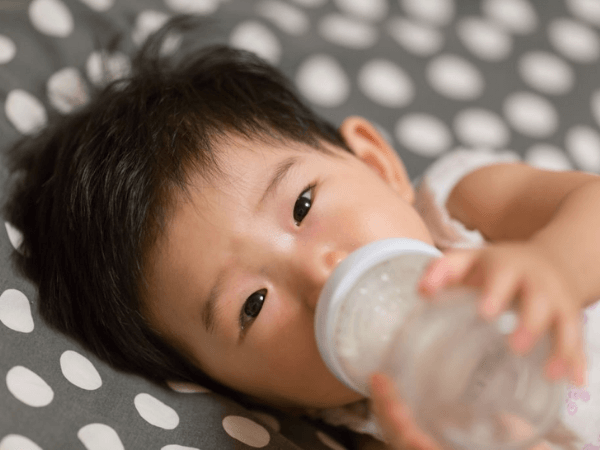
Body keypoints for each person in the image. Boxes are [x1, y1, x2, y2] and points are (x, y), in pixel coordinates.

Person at [3, 16, 596, 450]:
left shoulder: (464, 205)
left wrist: (553, 268)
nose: (320, 273)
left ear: (377, 164)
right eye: (253, 305)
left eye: (303, 204)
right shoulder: (373, 426)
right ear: (246, 390)